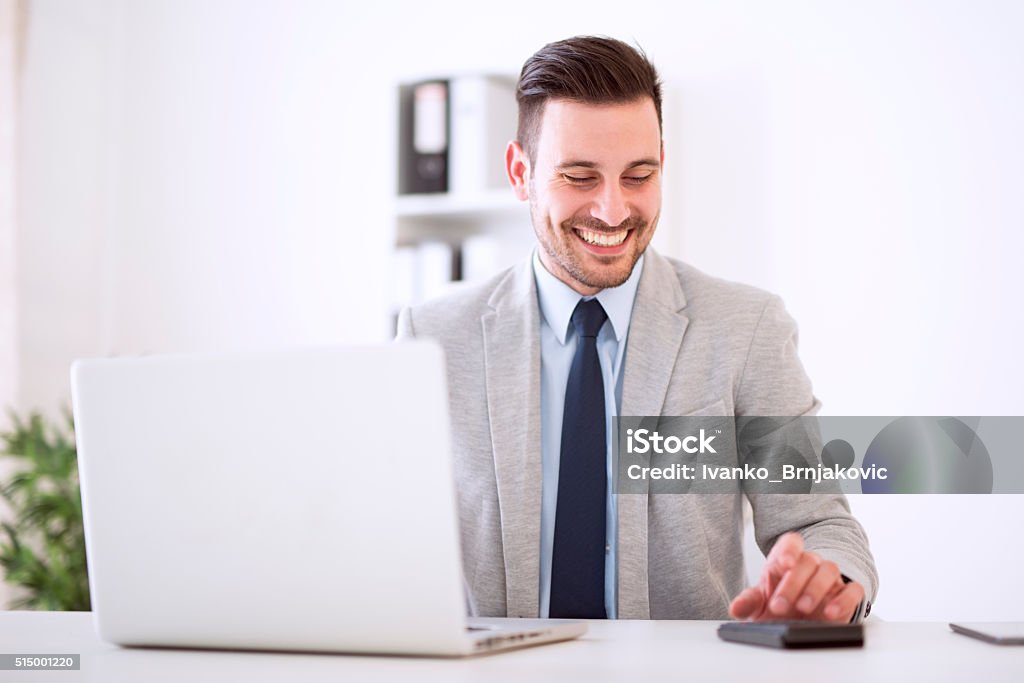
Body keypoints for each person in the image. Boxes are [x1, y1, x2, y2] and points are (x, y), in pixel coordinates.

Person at [397, 35, 877, 622]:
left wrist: (826, 582)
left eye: (637, 175)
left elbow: (821, 523)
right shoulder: (434, 337)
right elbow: (383, 536)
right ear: (521, 173)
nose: (613, 211)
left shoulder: (744, 329)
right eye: (579, 176)